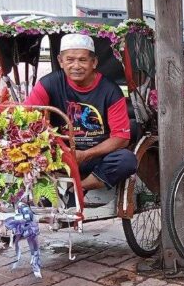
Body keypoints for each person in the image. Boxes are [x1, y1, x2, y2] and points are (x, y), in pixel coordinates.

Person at [24, 33, 137, 192]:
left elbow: (121, 138)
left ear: (94, 62)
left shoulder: (110, 90)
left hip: (95, 156)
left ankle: (78, 188)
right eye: (70, 60)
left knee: (126, 160)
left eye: (82, 60)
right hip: (59, 154)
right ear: (60, 61)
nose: (76, 66)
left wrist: (86, 154)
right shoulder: (48, 84)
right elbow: (24, 117)